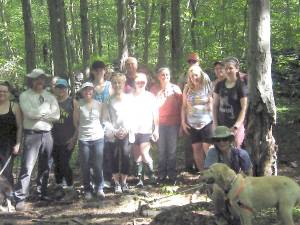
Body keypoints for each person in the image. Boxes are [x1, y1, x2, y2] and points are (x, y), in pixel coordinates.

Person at [14, 69, 60, 211]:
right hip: (31, 134)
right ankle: (21, 197)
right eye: (36, 79)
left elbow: (57, 115)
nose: (39, 81)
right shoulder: (24, 95)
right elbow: (29, 113)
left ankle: (42, 193)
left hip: (47, 134)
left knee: (45, 166)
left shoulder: (50, 96)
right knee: (27, 166)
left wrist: (39, 114)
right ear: (31, 80)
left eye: (42, 79)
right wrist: (47, 113)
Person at [204, 125, 252, 225]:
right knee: (217, 189)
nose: (222, 142)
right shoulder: (212, 153)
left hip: (239, 189)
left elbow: (249, 176)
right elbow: (209, 176)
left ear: (230, 140)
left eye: (225, 139)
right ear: (215, 142)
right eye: (218, 140)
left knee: (237, 217)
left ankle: (236, 213)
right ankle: (219, 215)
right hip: (219, 188)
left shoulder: (242, 154)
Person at [73, 82, 106, 200]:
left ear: (93, 91)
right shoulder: (78, 105)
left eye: (90, 90)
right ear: (82, 92)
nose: (88, 92)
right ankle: (87, 189)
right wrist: (81, 132)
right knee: (85, 165)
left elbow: (102, 120)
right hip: (84, 139)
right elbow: (75, 121)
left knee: (97, 165)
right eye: (85, 90)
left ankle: (99, 188)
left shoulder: (100, 104)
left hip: (98, 138)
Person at [105, 73, 134, 194]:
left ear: (124, 83)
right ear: (112, 85)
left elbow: (134, 115)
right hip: (114, 134)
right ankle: (117, 183)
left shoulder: (129, 98)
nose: (117, 85)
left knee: (126, 157)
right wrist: (114, 131)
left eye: (119, 82)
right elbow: (106, 118)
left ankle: (124, 182)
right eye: (115, 83)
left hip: (127, 132)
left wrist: (127, 128)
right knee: (114, 158)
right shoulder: (108, 100)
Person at [181, 65, 213, 172]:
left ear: (200, 75)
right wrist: (183, 122)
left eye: (196, 75)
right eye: (191, 76)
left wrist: (214, 119)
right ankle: (203, 174)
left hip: (206, 122)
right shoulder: (187, 88)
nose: (194, 78)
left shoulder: (207, 85)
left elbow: (212, 102)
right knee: (196, 149)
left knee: (207, 148)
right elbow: (184, 106)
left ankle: (212, 173)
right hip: (192, 123)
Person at [213, 57, 248, 148]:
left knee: (235, 152)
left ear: (237, 69)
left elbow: (244, 108)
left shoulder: (241, 85)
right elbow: (215, 105)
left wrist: (236, 127)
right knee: (221, 153)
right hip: (221, 126)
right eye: (226, 68)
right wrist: (215, 124)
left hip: (236, 127)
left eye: (231, 68)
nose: (228, 70)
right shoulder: (219, 85)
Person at [131, 72, 159, 187]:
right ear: (134, 82)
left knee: (144, 152)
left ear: (146, 82)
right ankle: (140, 179)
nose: (140, 84)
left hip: (146, 129)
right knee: (136, 154)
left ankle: (151, 175)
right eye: (138, 82)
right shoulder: (129, 96)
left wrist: (156, 129)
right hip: (132, 129)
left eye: (143, 82)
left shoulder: (150, 96)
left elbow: (155, 114)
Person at [89, 60, 113, 189]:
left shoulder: (110, 85)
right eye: (96, 70)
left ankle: (108, 178)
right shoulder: (89, 86)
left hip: (107, 122)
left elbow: (115, 102)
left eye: (101, 69)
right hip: (92, 124)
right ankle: (95, 179)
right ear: (92, 71)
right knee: (94, 153)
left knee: (106, 151)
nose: (99, 72)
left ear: (105, 71)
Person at [156, 68, 182, 184]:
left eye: (167, 74)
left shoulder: (175, 89)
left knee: (171, 150)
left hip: (173, 124)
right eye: (162, 75)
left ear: (170, 76)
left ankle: (172, 175)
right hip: (160, 124)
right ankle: (161, 174)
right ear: (158, 77)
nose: (165, 76)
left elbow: (182, 106)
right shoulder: (155, 90)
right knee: (161, 151)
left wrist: (182, 124)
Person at [52, 79, 77, 189]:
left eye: (63, 87)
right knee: (57, 164)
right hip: (53, 139)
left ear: (67, 89)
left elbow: (78, 124)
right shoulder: (52, 102)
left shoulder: (73, 102)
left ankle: (70, 187)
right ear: (55, 89)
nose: (61, 90)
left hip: (67, 139)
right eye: (59, 87)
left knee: (64, 163)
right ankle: (59, 185)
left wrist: (73, 139)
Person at [0, 81, 22, 185]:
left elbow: (20, 127)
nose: (2, 93)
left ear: (9, 93)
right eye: (0, 91)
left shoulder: (14, 106)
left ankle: (8, 196)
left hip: (8, 144)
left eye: (5, 91)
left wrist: (18, 144)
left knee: (6, 171)